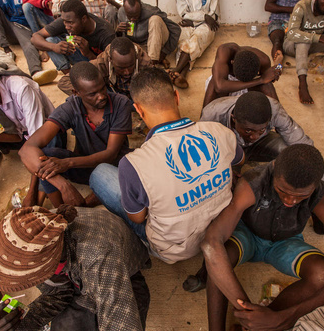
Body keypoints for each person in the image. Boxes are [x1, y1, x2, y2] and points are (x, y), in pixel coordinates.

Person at [89, 67, 244, 264]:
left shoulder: (133, 164)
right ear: (177, 97)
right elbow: (239, 161)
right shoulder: (219, 131)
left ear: (138, 109)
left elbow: (138, 218)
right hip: (221, 232)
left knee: (100, 173)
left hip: (176, 249)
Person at [200, 144, 324, 331]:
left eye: (301, 196)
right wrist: (249, 311)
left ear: (316, 185)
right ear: (273, 171)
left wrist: (280, 320)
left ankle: (257, 326)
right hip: (247, 235)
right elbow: (210, 244)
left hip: (286, 241)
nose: (290, 201)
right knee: (218, 260)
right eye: (283, 190)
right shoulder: (253, 182)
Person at [0, 205, 151, 331]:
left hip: (123, 278)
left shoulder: (97, 254)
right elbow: (59, 293)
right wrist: (16, 328)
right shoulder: (40, 237)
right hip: (78, 282)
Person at [19, 62, 132, 208]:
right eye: (92, 94)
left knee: (127, 179)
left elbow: (110, 154)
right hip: (85, 165)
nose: (101, 96)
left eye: (103, 88)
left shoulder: (120, 103)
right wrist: (64, 186)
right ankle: (61, 209)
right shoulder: (71, 107)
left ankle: (85, 203)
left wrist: (67, 163)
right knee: (45, 158)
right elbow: (26, 149)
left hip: (115, 165)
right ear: (76, 93)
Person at [200, 91, 324, 189]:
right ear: (234, 119)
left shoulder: (274, 109)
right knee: (226, 187)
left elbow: (305, 148)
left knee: (293, 152)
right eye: (248, 130)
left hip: (261, 145)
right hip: (226, 150)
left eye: (261, 130)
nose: (254, 137)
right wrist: (225, 170)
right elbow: (203, 154)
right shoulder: (213, 114)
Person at [0, 37, 55, 211]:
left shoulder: (21, 89)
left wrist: (32, 192)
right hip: (22, 134)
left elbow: (38, 142)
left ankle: (41, 192)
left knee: (50, 155)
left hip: (44, 133)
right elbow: (14, 135)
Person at [31, 0, 116, 74]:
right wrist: (54, 47)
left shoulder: (106, 34)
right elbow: (35, 37)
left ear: (83, 19)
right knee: (50, 40)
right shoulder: (68, 19)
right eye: (64, 22)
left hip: (97, 67)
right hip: (80, 59)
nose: (67, 26)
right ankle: (70, 76)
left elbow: (110, 69)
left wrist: (88, 54)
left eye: (71, 23)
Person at [171, 0, 219, 89]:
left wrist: (197, 20)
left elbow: (213, 15)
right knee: (182, 42)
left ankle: (176, 70)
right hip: (189, 24)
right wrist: (204, 16)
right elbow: (184, 14)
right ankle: (182, 76)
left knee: (195, 41)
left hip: (208, 26)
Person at [57, 36, 152, 98]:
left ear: (135, 57)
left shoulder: (146, 64)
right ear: (111, 59)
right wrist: (95, 97)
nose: (127, 72)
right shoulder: (101, 63)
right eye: (121, 68)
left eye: (130, 66)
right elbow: (64, 82)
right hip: (110, 96)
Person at [202, 43, 282, 108]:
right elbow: (219, 87)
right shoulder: (225, 51)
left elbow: (270, 77)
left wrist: (278, 66)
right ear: (232, 62)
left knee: (267, 84)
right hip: (227, 85)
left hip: (250, 86)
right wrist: (260, 80)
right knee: (214, 82)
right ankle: (204, 120)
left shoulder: (263, 60)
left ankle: (279, 116)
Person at [117, 0, 181, 67]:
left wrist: (164, 52)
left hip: (154, 44)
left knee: (155, 20)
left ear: (140, 6)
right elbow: (123, 40)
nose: (132, 19)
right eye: (130, 16)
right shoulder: (121, 12)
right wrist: (118, 32)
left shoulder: (151, 11)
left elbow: (176, 30)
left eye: (136, 16)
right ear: (124, 7)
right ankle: (151, 61)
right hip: (139, 48)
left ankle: (152, 63)